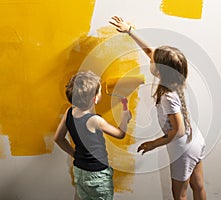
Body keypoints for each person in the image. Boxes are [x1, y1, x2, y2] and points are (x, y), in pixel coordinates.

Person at [110, 16, 207, 200]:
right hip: (196, 140)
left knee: (179, 195)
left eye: (154, 61)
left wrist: (154, 143)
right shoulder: (177, 79)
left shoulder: (167, 97)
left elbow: (178, 130)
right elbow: (150, 50)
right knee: (199, 186)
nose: (150, 60)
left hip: (183, 149)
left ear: (161, 70)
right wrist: (130, 30)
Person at [54, 70, 131, 200]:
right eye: (99, 91)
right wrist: (125, 119)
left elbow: (58, 139)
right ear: (94, 99)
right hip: (98, 175)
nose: (100, 94)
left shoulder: (69, 113)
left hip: (79, 170)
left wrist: (74, 154)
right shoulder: (95, 120)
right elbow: (120, 134)